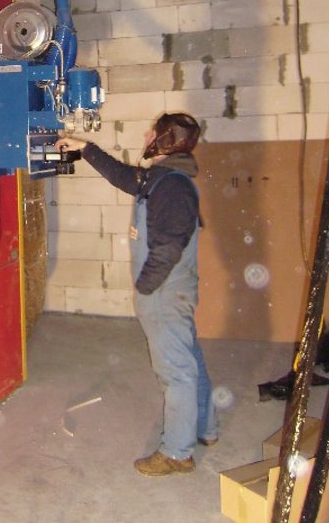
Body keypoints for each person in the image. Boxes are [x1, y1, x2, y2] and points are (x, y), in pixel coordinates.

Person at [55, 112, 218, 477]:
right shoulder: (162, 178)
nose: (146, 135)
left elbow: (169, 246)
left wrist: (146, 287)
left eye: (152, 132)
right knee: (188, 357)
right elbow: (124, 177)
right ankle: (204, 427)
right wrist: (85, 148)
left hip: (164, 292)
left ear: (165, 139)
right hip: (172, 289)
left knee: (176, 372)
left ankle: (177, 453)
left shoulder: (171, 186)